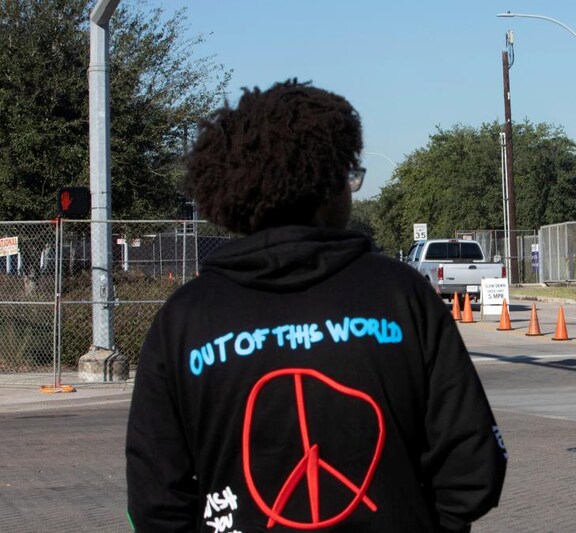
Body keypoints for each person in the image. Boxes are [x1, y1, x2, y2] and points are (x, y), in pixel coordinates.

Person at [126, 80, 506, 532]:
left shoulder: (184, 318)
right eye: (349, 176)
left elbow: (154, 498)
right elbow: (473, 465)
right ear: (327, 187)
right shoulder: (401, 296)